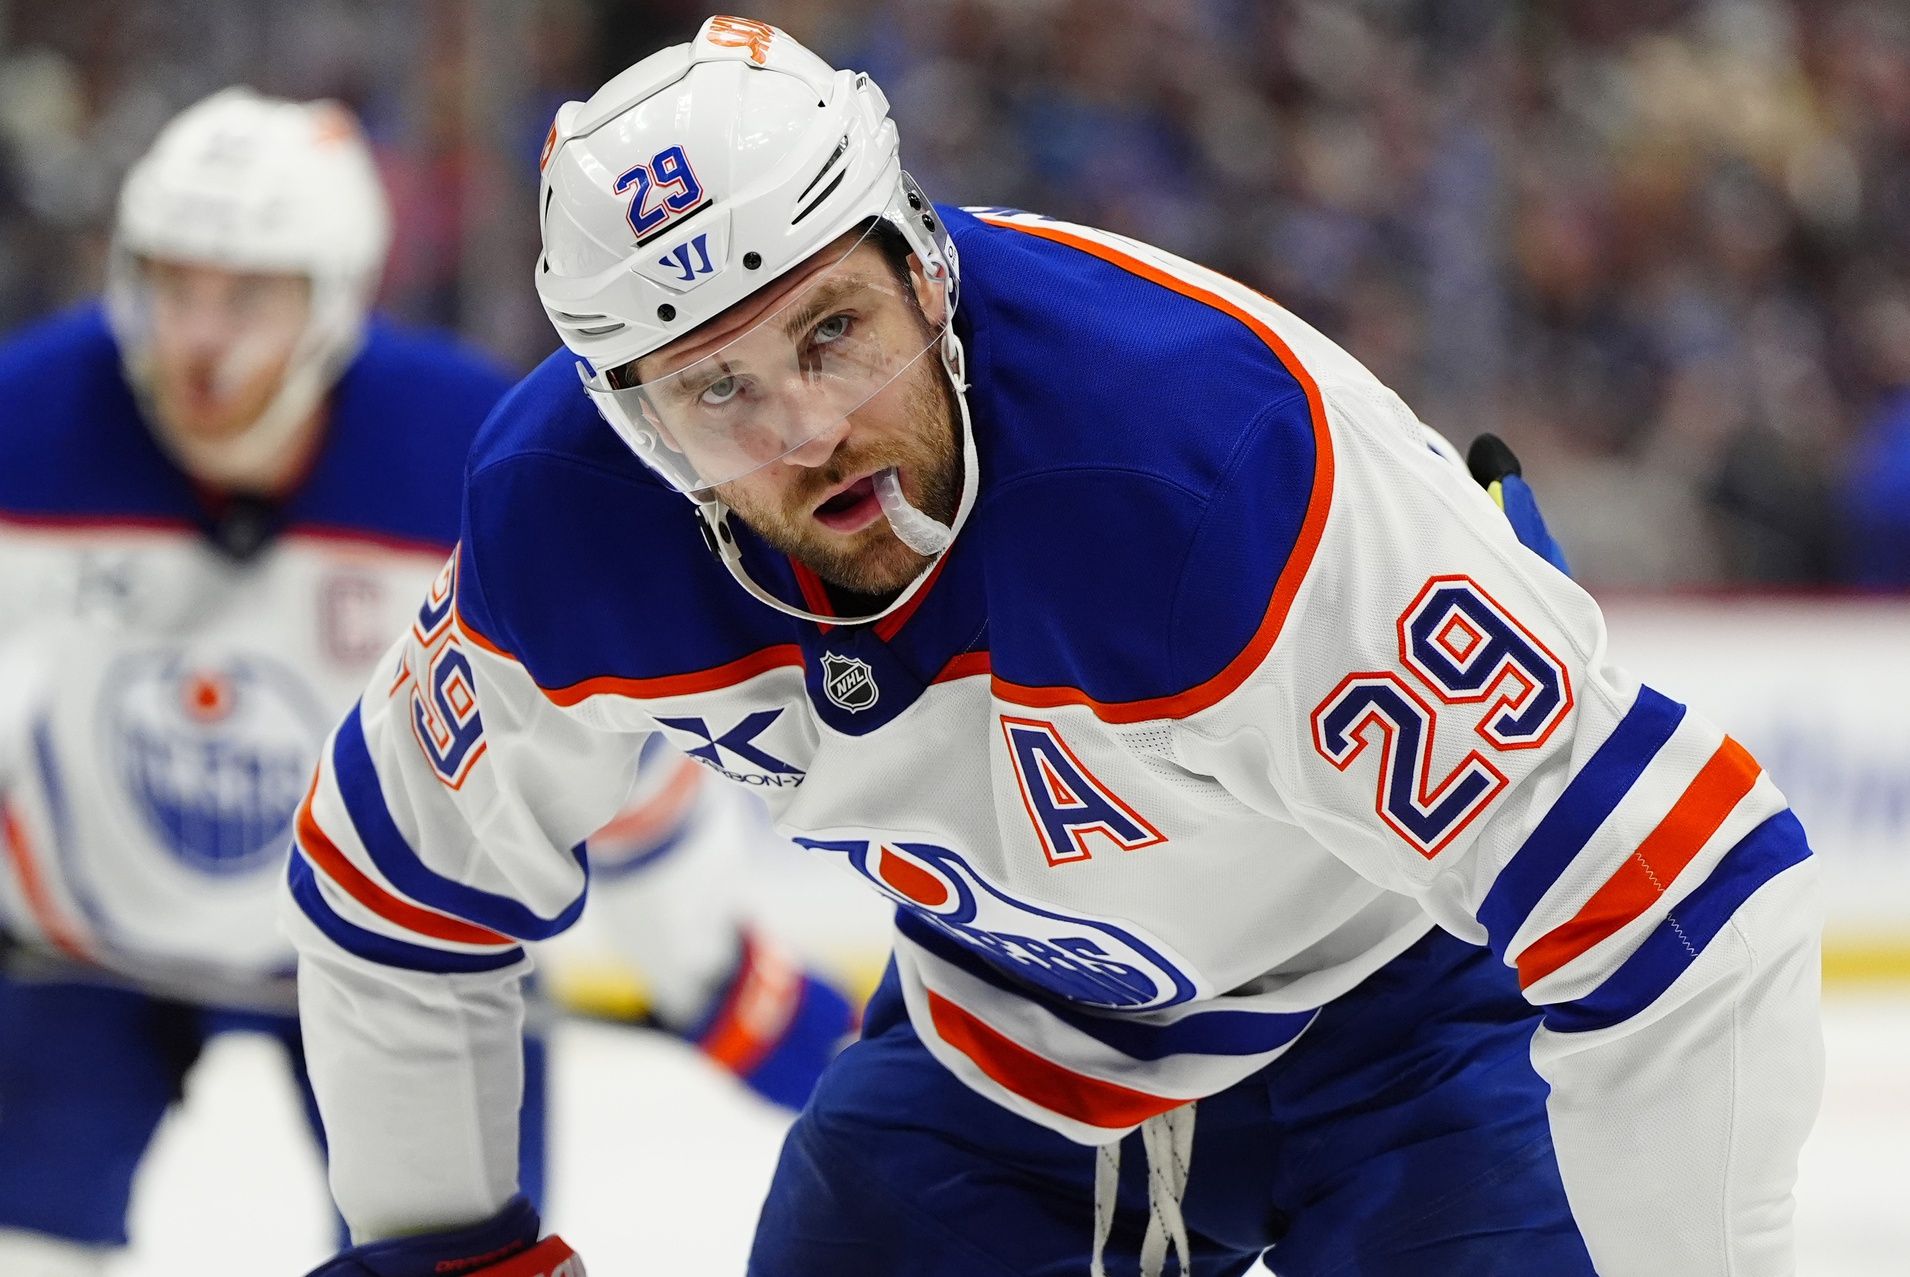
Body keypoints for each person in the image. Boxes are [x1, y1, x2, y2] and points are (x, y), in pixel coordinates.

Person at [292, 18, 1822, 1277]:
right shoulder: (568, 516)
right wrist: (448, 1257)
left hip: (1421, 1007)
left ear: (926, 268)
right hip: (1012, 1040)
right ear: (631, 422)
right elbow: (392, 888)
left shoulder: (1204, 460)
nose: (809, 428)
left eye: (833, 331)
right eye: (717, 391)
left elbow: (1689, 905)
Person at [0, 86, 849, 1277]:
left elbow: (609, 739)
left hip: (384, 946)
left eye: (248, 294)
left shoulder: (475, 457)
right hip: (82, 945)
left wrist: (711, 973)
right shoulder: (22, 419)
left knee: (462, 1256)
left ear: (338, 295)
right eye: (171, 282)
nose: (197, 337)